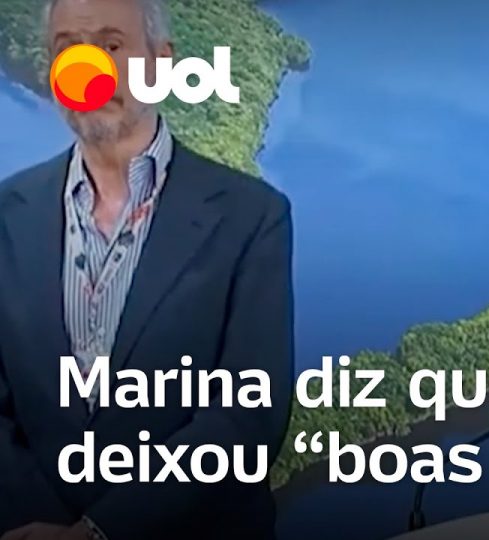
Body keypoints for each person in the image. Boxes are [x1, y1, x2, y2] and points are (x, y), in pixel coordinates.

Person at [0, 0, 294, 538]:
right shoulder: (6, 214)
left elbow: (246, 420)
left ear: (161, 62)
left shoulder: (252, 217)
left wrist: (98, 532)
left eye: (111, 46)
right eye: (68, 49)